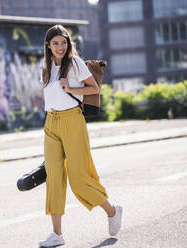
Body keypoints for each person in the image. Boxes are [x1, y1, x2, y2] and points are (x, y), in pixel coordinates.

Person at [39, 25, 123, 247]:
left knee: (79, 179)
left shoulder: (74, 63)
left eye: (63, 42)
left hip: (72, 121)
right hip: (51, 123)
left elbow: (93, 88)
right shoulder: (45, 67)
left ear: (68, 44)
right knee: (54, 178)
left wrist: (71, 89)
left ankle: (112, 211)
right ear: (48, 45)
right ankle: (57, 234)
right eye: (55, 43)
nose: (60, 47)